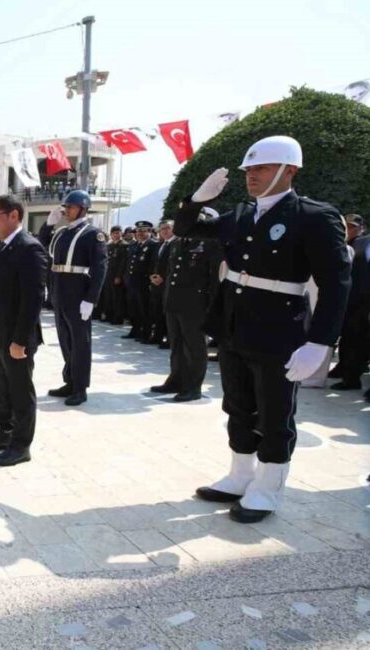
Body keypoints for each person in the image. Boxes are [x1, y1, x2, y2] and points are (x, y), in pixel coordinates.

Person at [176, 135, 351, 523]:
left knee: (274, 412)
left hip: (280, 329)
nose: (251, 176)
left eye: (261, 168)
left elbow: (337, 283)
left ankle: (268, 486)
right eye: (249, 170)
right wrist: (196, 200)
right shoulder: (239, 215)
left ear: (290, 170)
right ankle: (241, 475)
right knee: (237, 405)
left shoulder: (313, 216)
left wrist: (320, 341)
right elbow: (187, 228)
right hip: (234, 324)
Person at [0, 195, 50, 467]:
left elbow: (32, 300)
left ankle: (21, 445)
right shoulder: (0, 247)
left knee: (20, 391)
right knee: (2, 389)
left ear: (14, 216)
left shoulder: (30, 248)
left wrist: (19, 340)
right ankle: (5, 432)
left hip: (15, 338)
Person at [38, 190, 108, 406]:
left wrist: (91, 299)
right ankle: (70, 380)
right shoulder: (62, 233)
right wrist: (48, 225)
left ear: (83, 208)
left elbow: (100, 268)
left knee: (80, 342)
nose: (66, 210)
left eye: (70, 207)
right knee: (65, 339)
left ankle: (80, 387)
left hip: (78, 292)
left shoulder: (92, 234)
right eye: (66, 207)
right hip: (60, 291)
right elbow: (42, 245)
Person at [150, 227, 221, 402]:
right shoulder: (177, 243)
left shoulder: (209, 243)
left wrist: (212, 305)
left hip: (195, 303)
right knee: (177, 345)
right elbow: (172, 272)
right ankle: (176, 380)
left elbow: (215, 277)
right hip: (174, 301)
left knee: (195, 346)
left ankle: (193, 386)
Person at [330, 214, 368, 390]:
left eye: (353, 227)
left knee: (356, 339)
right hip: (351, 299)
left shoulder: (362, 243)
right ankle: (345, 371)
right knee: (348, 337)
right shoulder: (351, 244)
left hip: (362, 301)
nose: (349, 230)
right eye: (348, 226)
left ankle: (351, 377)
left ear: (361, 228)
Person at [123, 222, 158, 340]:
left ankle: (146, 332)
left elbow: (153, 264)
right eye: (138, 231)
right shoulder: (134, 245)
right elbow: (129, 264)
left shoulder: (153, 245)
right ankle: (135, 329)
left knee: (144, 309)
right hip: (132, 282)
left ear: (149, 232)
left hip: (143, 283)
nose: (140, 234)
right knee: (133, 309)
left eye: (143, 231)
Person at [148, 221, 176, 348]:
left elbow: (174, 265)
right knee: (157, 310)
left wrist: (163, 277)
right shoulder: (160, 245)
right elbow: (155, 263)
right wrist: (152, 276)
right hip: (156, 283)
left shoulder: (176, 244)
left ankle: (170, 339)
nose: (164, 231)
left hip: (169, 284)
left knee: (168, 313)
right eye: (162, 229)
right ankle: (157, 336)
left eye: (167, 228)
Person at [103, 226, 128, 324]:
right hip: (108, 274)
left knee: (117, 298)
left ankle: (118, 317)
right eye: (114, 233)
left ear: (121, 234)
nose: (116, 235)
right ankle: (109, 315)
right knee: (108, 296)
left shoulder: (124, 245)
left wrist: (119, 276)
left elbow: (123, 263)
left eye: (118, 233)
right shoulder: (110, 245)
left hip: (117, 275)